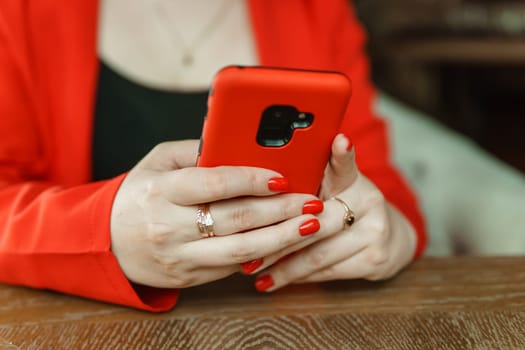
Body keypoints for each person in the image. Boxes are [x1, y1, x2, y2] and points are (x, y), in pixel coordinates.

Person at [0, 0, 427, 312]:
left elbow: (378, 183)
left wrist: (390, 231)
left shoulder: (314, 9)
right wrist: (100, 233)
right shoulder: (18, 12)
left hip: (290, 323)